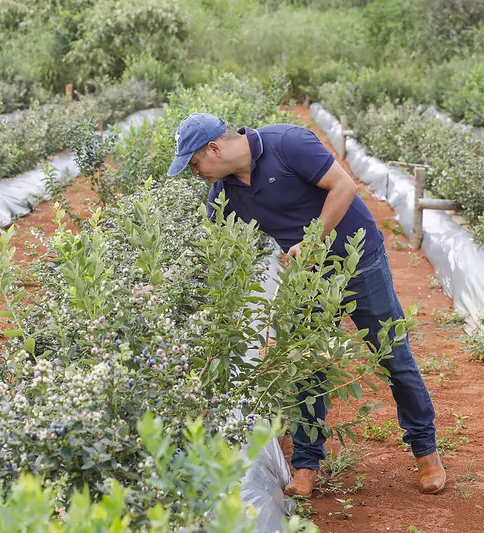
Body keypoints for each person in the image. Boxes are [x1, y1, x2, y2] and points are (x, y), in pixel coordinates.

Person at [166, 113, 445, 497]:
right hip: (307, 280)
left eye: (195, 164)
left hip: (358, 260)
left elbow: (343, 186)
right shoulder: (224, 194)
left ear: (214, 148)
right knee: (306, 366)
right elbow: (217, 255)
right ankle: (306, 465)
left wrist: (314, 242)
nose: (195, 173)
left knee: (392, 354)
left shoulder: (287, 143)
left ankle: (426, 452)